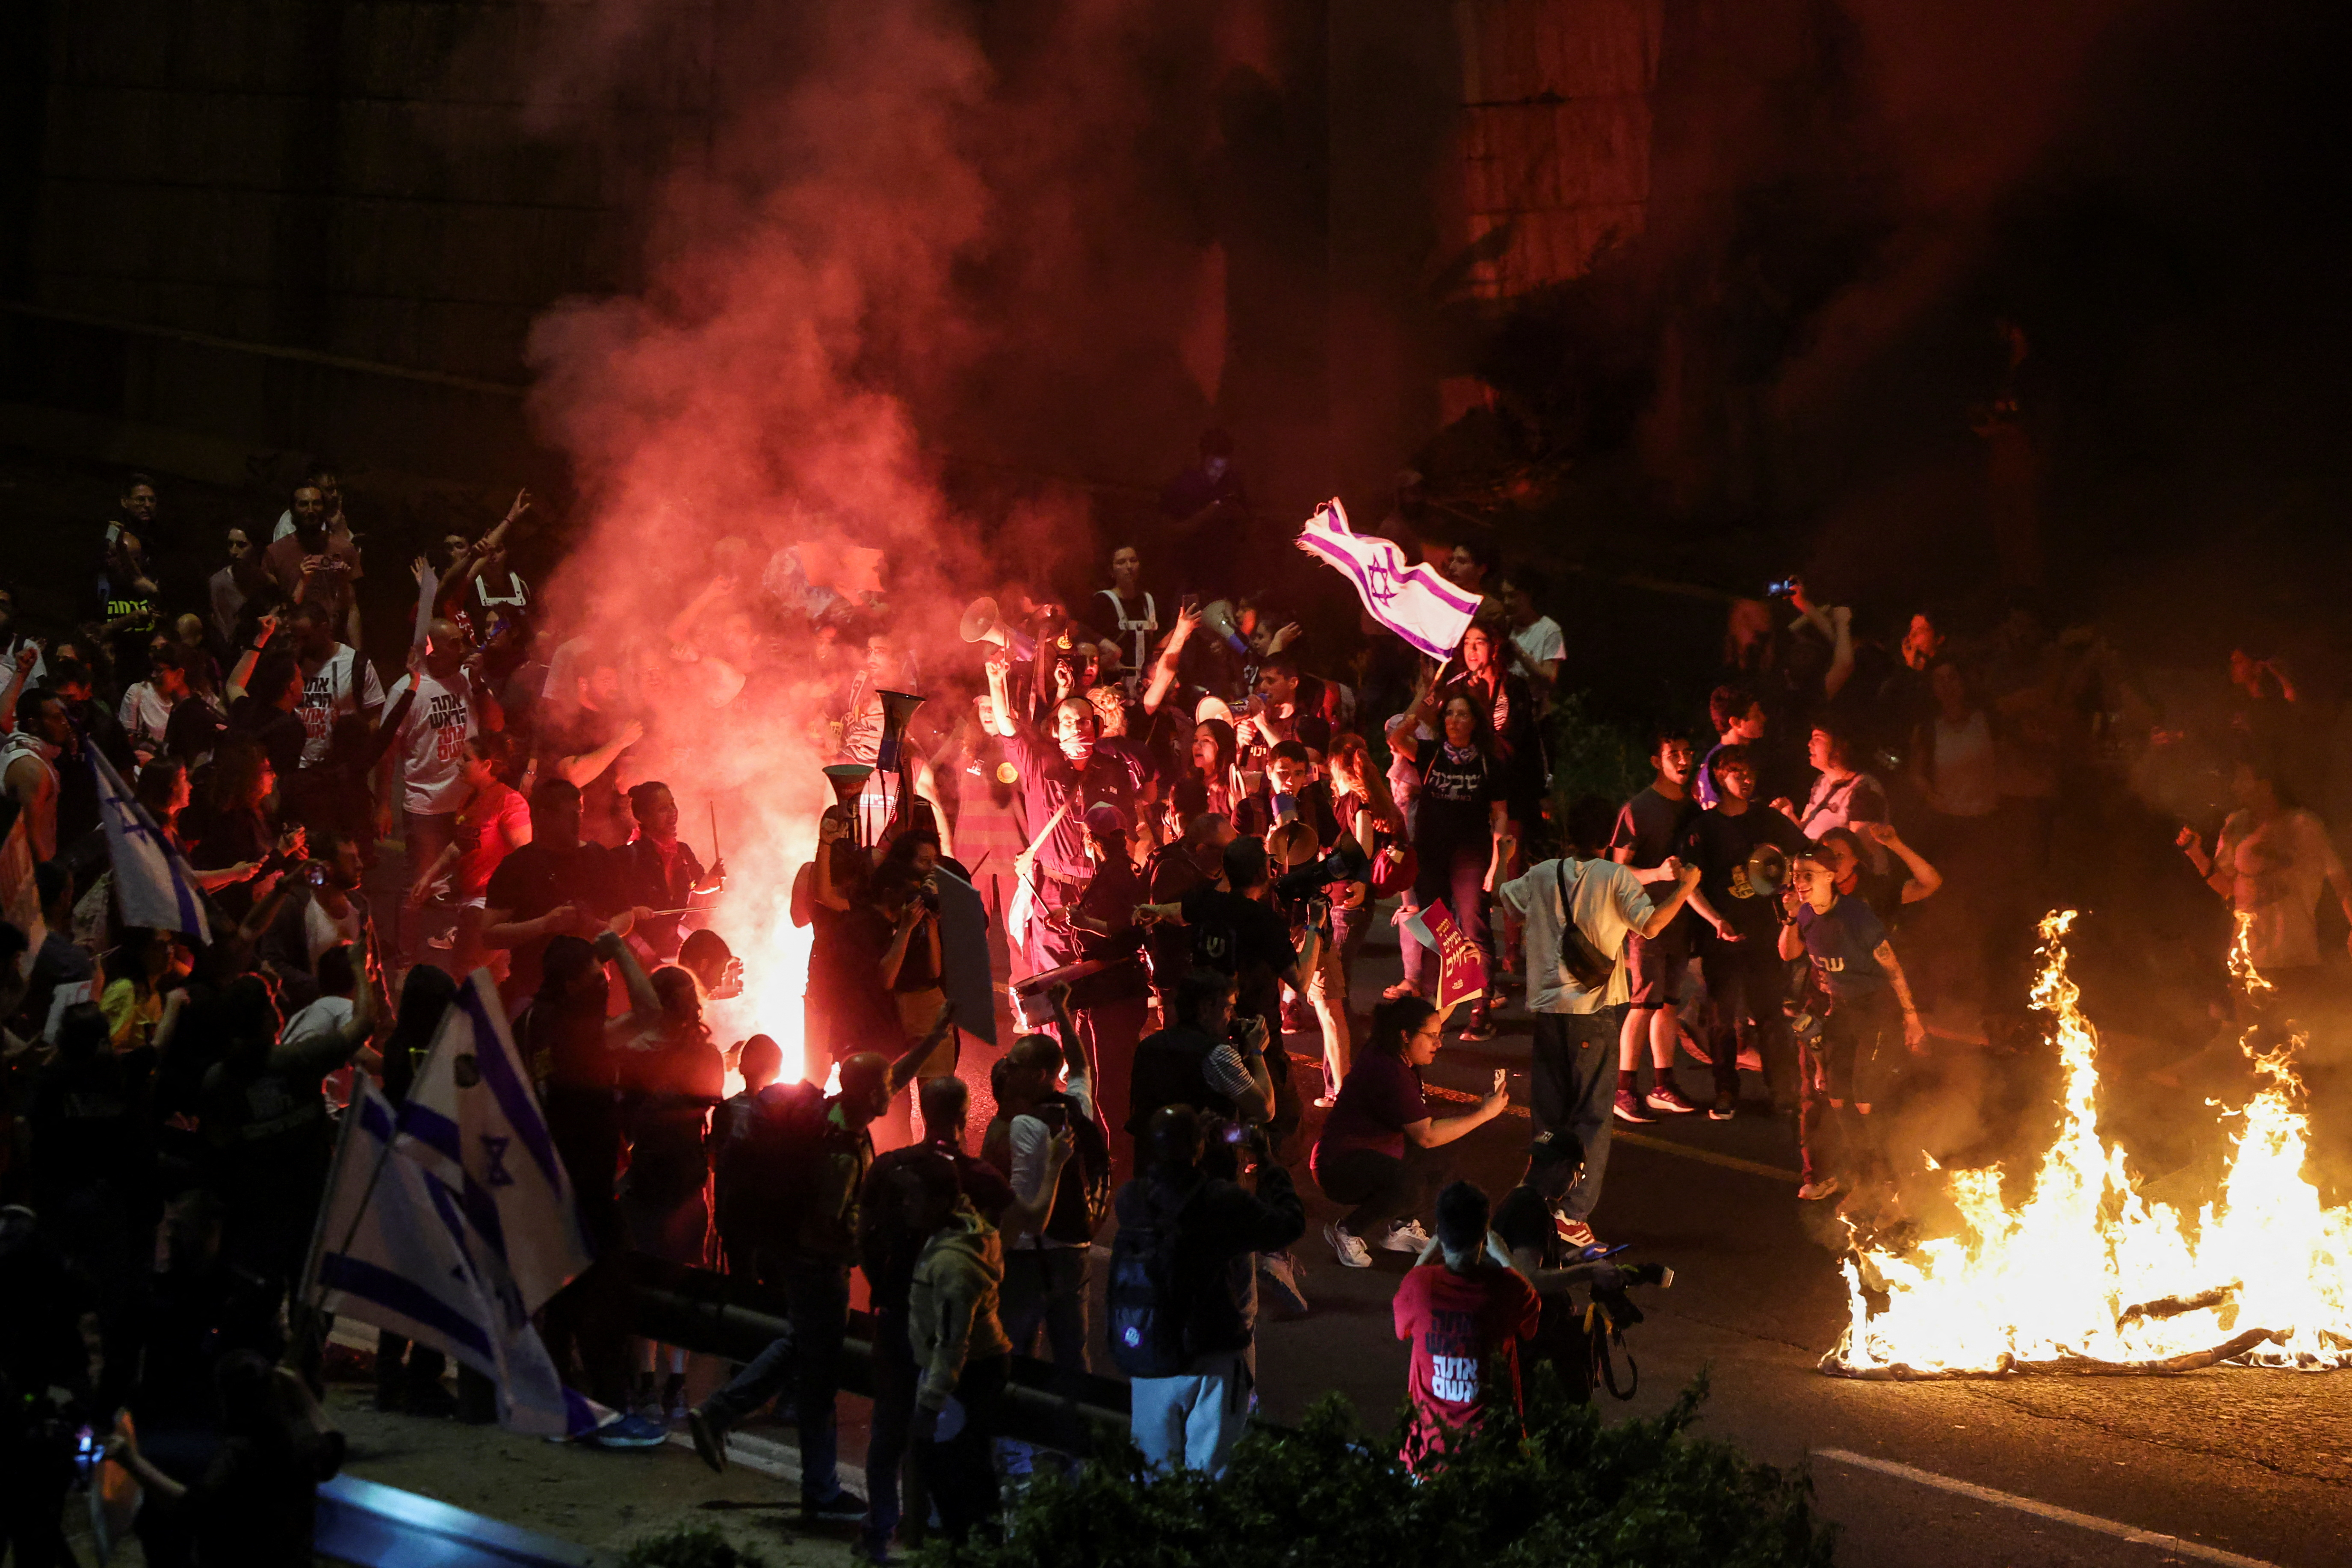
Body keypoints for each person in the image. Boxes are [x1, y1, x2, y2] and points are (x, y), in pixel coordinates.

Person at [687, 1011, 950, 1519]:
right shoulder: (840, 1151)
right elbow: (828, 1222)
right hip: (817, 1266)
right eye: (883, 1090)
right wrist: (863, 1253)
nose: (889, 1095)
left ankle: (719, 1414)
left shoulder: (832, 1112)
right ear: (867, 1094)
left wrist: (932, 1038)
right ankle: (821, 1490)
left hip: (797, 1257)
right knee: (819, 1378)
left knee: (800, 1346)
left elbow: (888, 1075)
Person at [848, 1076, 1049, 1561]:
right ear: (962, 1117)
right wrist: (1055, 1164)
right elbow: (1028, 1220)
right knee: (958, 1443)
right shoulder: (977, 1178)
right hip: (956, 1337)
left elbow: (862, 1231)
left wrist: (885, 1285)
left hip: (898, 1317)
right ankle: (953, 1531)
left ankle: (884, 1528)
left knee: (891, 1432)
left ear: (922, 1107)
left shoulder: (891, 1167)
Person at [1495, 796, 1697, 1246]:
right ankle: (1571, 1214)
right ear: (1607, 836)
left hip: (1549, 1011)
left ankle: (1538, 1202)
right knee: (1590, 1116)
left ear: (1566, 833)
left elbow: (1503, 901)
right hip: (1594, 1011)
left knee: (1548, 1114)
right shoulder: (1614, 877)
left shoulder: (1545, 872)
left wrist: (1501, 855)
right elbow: (1651, 926)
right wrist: (1685, 888)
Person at [1115, 1104, 1304, 1474]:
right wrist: (1267, 1161)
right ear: (1199, 1148)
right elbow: (1288, 1224)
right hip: (1211, 1355)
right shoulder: (1220, 1201)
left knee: (1155, 1475)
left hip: (1150, 1354)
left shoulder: (1132, 1199)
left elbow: (1177, 1193)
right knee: (1210, 1477)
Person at [1312, 996, 1509, 1266]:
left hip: (1373, 1150)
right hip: (1339, 1166)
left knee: (1443, 1158)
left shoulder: (1393, 1050)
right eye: (1432, 1037)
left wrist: (1462, 989)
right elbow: (1425, 1136)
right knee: (1410, 1185)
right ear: (1405, 1035)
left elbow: (1435, 1015)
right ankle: (1347, 1231)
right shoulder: (1390, 1071)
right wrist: (1485, 1114)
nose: (1438, 1043)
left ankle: (1401, 1229)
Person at [1778, 851, 1928, 1208]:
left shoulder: (1857, 916)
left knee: (1864, 1100)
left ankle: (1897, 1180)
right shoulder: (1803, 913)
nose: (1799, 882)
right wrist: (1787, 918)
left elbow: (1892, 968)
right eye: (1796, 875)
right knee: (1836, 1097)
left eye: (1807, 875)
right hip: (1841, 1010)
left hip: (1876, 1008)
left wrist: (1912, 1018)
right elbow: (1788, 954)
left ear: (1830, 877)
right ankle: (1866, 1179)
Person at [611, 955, 725, 1423]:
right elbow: (709, 1104)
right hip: (684, 1177)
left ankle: (646, 1380)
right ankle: (674, 1382)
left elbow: (625, 1117)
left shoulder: (637, 1053)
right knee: (679, 1279)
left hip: (653, 1176)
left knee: (648, 1277)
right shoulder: (704, 1054)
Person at [106, 1352, 345, 1568]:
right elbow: (334, 1445)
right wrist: (303, 1394)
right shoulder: (298, 1444)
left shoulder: (238, 1455)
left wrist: (132, 1461)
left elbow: (192, 1510)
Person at [1678, 746, 1807, 1119]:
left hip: (1766, 935)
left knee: (1771, 1016)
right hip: (1722, 939)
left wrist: (1790, 888)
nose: (1747, 780)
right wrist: (1716, 919)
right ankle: (1725, 1091)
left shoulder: (1767, 820)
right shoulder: (1703, 829)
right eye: (1738, 773)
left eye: (1750, 773)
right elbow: (1689, 883)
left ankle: (1783, 1091)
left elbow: (1804, 851)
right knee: (1722, 1018)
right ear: (1719, 775)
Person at [1392, 1181, 1541, 1472]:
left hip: (1428, 1455)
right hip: (1492, 1454)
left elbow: (1403, 1313)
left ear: (1440, 1234)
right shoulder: (1508, 1288)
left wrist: (1429, 1252)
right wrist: (1504, 1255)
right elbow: (1531, 1299)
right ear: (1484, 1236)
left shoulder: (1420, 1284)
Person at [1388, 684, 1511, 1039]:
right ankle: (1439, 1000)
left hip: (1470, 853)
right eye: (1450, 714)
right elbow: (1397, 737)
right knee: (1438, 926)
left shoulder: (1489, 762)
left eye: (1463, 714)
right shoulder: (1429, 752)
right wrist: (1424, 702)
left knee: (1474, 923)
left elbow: (1500, 815)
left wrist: (1498, 861)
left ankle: (1481, 1006)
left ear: (1475, 721)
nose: (1456, 720)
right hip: (1431, 852)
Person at [2181, 755, 2352, 1000]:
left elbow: (2341, 881)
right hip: (2249, 958)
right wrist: (2196, 854)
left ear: (2265, 785)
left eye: (2242, 779)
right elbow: (2229, 889)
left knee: (2297, 1033)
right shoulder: (2235, 826)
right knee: (2251, 1035)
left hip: (2295, 957)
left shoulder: (2303, 826)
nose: (2235, 786)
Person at [906, 1159, 1012, 1544]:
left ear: (938, 1202)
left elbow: (952, 1344)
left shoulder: (952, 1264)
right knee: (966, 1469)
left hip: (966, 1378)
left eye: (914, 1196)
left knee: (955, 1474)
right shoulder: (958, 1233)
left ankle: (969, 1549)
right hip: (972, 1371)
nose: (906, 1203)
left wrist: (930, 1402)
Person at [1609, 731, 1702, 1121]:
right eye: (1673, 754)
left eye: (1687, 753)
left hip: (1682, 919)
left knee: (1668, 1004)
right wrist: (1656, 873)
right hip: (1645, 922)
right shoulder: (1639, 808)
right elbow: (1615, 870)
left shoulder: (1693, 807)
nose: (1683, 760)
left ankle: (1662, 1084)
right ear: (1656, 761)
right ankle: (1624, 1089)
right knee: (1642, 1004)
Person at [482, 777, 624, 1007]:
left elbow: (624, 913)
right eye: (570, 814)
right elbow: (489, 935)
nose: (578, 821)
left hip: (590, 989)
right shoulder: (517, 866)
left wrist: (602, 938)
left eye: (580, 812)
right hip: (534, 991)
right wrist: (544, 924)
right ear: (544, 816)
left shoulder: (599, 857)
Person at [616, 780, 726, 962]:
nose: (673, 813)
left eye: (673, 805)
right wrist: (632, 911)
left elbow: (698, 884)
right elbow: (609, 905)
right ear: (643, 816)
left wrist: (714, 879)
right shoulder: (627, 856)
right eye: (663, 809)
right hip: (636, 950)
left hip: (673, 946)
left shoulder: (682, 852)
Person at [262, 481, 363, 647]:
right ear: (293, 509)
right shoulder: (275, 553)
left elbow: (352, 608)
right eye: (304, 504)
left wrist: (357, 656)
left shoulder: (344, 549)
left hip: (334, 643)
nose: (311, 510)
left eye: (316, 503)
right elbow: (273, 611)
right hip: (294, 645)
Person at [2, 688, 75, 861]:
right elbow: (30, 837)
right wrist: (52, 876)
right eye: (57, 718)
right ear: (34, 724)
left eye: (65, 716)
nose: (66, 723)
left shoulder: (39, 757)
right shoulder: (32, 769)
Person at [1791, 719, 1887, 841]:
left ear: (1839, 748)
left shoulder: (1864, 790)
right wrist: (1789, 815)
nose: (1809, 744)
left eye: (1817, 739)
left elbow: (1863, 850)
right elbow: (1805, 832)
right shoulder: (1822, 782)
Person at [1695, 685, 1768, 810]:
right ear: (1735, 723)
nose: (1764, 718)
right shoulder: (1723, 767)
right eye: (1756, 715)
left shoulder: (1719, 758)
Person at [1496, 567, 1563, 700]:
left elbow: (1549, 679)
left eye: (1513, 596)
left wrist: (1518, 651)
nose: (1507, 602)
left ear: (1530, 596)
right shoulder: (1504, 625)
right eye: (1504, 596)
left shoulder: (1549, 630)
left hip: (1528, 709)